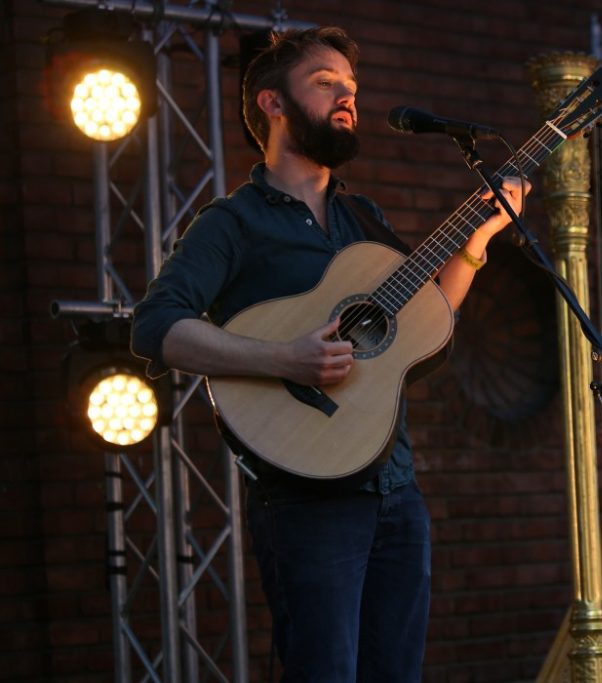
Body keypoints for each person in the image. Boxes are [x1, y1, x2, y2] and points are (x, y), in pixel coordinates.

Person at [130, 26, 529, 682]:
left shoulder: (361, 217)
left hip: (397, 489)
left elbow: (426, 319)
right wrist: (286, 358)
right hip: (306, 500)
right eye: (326, 84)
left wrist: (478, 241)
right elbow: (156, 327)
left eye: (352, 88)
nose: (348, 98)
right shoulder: (232, 223)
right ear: (272, 103)